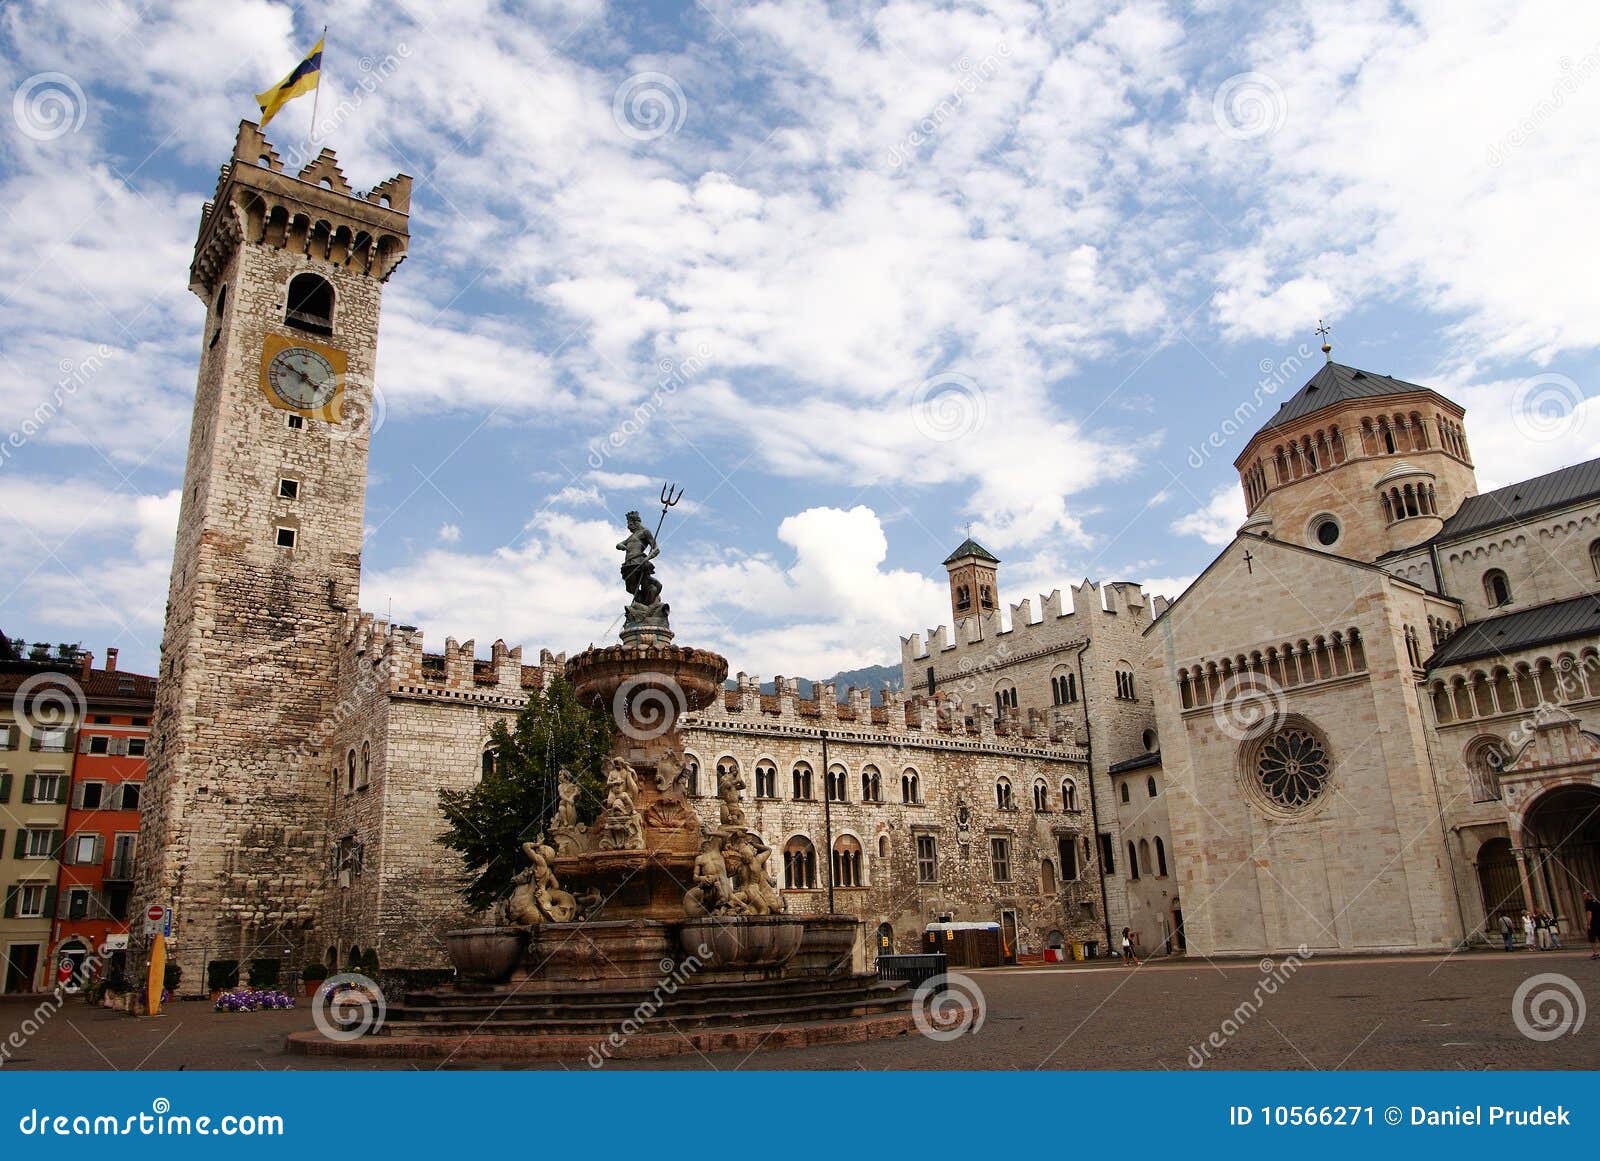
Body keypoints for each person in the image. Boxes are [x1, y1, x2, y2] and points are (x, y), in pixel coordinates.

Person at [1584, 891, 1600, 959]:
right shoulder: (1597, 902)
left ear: (1588, 895)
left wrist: (1588, 924)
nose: (1583, 897)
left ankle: (1595, 953)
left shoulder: (1588, 903)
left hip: (1593, 924)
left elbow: (1589, 914)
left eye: (1584, 895)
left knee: (1592, 939)